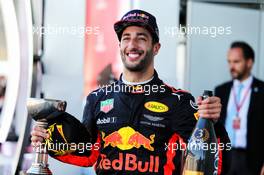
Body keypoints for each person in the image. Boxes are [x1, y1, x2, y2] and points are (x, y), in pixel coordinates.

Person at [31, 9, 230, 175]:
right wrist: (49, 139)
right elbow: (87, 153)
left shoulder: (179, 101)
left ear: (156, 47)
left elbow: (214, 159)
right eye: (126, 38)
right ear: (120, 46)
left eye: (141, 38)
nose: (132, 45)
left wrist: (212, 122)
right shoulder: (97, 98)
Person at [215, 41, 264, 175]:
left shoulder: (262, 90)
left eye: (236, 61)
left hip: (252, 159)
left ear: (249, 62)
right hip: (224, 155)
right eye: (229, 62)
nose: (231, 66)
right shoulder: (221, 90)